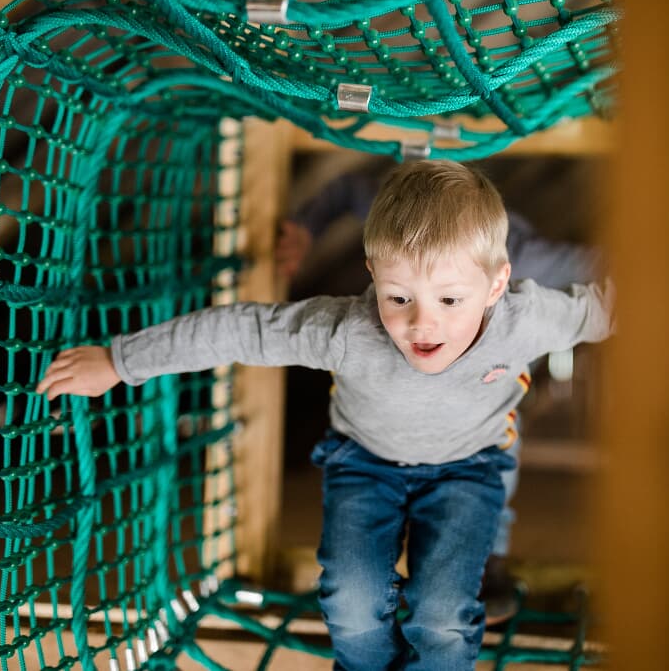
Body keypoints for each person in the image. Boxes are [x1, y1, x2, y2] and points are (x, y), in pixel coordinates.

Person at [36, 160, 614, 671]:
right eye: (399, 297)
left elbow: (606, 307)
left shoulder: (526, 319)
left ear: (496, 285)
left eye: (449, 300)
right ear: (372, 272)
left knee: (441, 615)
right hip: (365, 465)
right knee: (350, 603)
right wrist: (119, 361)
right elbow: (240, 328)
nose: (422, 323)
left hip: (468, 469)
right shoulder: (345, 331)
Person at [276, 166, 604, 623]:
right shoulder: (409, 227)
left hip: (489, 388)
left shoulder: (535, 262)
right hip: (397, 387)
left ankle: (486, 560)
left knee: (494, 446)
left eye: (450, 297)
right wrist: (305, 227)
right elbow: (348, 188)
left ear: (497, 281)